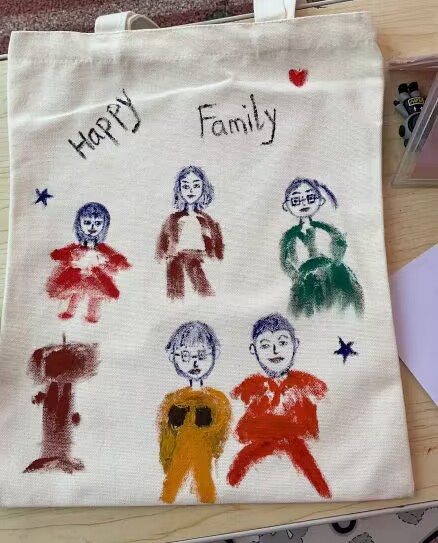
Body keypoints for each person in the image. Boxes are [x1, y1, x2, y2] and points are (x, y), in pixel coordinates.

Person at [227, 313, 331, 499]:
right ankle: (229, 487)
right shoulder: (253, 384)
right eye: (265, 345)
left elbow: (324, 395)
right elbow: (235, 398)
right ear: (253, 350)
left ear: (295, 344)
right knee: (237, 470)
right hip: (260, 440)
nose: (275, 351)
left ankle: (324, 493)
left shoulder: (304, 381)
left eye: (282, 343)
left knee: (312, 472)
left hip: (295, 440)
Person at [158, 321, 231, 504]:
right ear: (173, 357)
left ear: (214, 354)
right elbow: (165, 430)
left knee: (205, 487)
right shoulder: (173, 399)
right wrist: (166, 457)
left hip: (203, 453)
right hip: (179, 453)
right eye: (185, 356)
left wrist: (214, 448)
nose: (194, 362)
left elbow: (222, 426)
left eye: (201, 355)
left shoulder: (217, 398)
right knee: (171, 487)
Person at [280, 177, 364, 317]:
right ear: (286, 206)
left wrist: (336, 260)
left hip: (334, 275)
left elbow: (339, 243)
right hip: (307, 281)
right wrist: (297, 277)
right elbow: (285, 260)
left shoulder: (325, 227)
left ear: (320, 201)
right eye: (296, 201)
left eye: (310, 198)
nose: (304, 203)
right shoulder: (290, 235)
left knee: (343, 307)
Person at [46, 202, 130, 323]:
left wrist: (118, 260)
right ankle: (70, 311)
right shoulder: (76, 246)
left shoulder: (102, 247)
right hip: (78, 273)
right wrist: (60, 254)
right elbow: (62, 253)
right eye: (87, 222)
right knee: (76, 293)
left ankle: (93, 316)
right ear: (79, 224)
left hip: (96, 275)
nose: (92, 227)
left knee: (95, 296)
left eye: (98, 223)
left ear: (104, 225)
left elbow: (113, 256)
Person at [156, 165, 224, 299]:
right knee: (176, 297)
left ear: (204, 188)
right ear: (179, 189)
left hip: (201, 264)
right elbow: (161, 250)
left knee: (204, 295)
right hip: (175, 265)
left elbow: (218, 251)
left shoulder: (209, 221)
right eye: (186, 186)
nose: (191, 190)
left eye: (196, 186)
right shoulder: (172, 219)